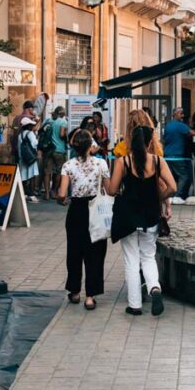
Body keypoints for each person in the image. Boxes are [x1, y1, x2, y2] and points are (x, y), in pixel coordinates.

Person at [109, 123, 176, 317]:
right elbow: (172, 186)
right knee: (148, 256)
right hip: (150, 216)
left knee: (131, 260)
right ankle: (154, 288)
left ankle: (135, 305)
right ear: (148, 143)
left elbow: (112, 190)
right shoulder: (157, 161)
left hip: (127, 217)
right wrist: (160, 197)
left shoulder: (123, 162)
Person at [58, 129, 112, 311]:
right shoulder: (101, 164)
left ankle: (74, 291)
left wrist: (63, 200)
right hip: (95, 209)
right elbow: (110, 189)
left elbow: (62, 194)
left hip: (76, 211)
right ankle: (90, 296)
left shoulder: (68, 165)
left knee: (74, 252)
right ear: (90, 146)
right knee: (95, 252)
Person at [163, 107, 193, 204]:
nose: (182, 116)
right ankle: (178, 196)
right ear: (175, 114)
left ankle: (169, 195)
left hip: (167, 155)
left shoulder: (168, 125)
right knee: (184, 176)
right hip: (178, 156)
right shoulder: (181, 126)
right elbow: (192, 133)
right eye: (181, 113)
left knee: (170, 176)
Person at [42, 106, 68, 200]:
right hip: (59, 150)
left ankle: (47, 194)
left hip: (49, 149)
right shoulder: (63, 122)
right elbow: (61, 135)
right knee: (59, 172)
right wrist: (66, 138)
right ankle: (55, 192)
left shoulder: (51, 122)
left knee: (47, 172)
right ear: (62, 113)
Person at [17, 116, 40, 202]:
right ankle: (31, 194)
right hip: (31, 158)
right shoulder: (30, 134)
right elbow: (35, 144)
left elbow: (19, 148)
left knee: (24, 177)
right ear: (28, 126)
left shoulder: (20, 135)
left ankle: (25, 193)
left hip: (23, 158)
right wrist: (37, 137)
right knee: (32, 176)